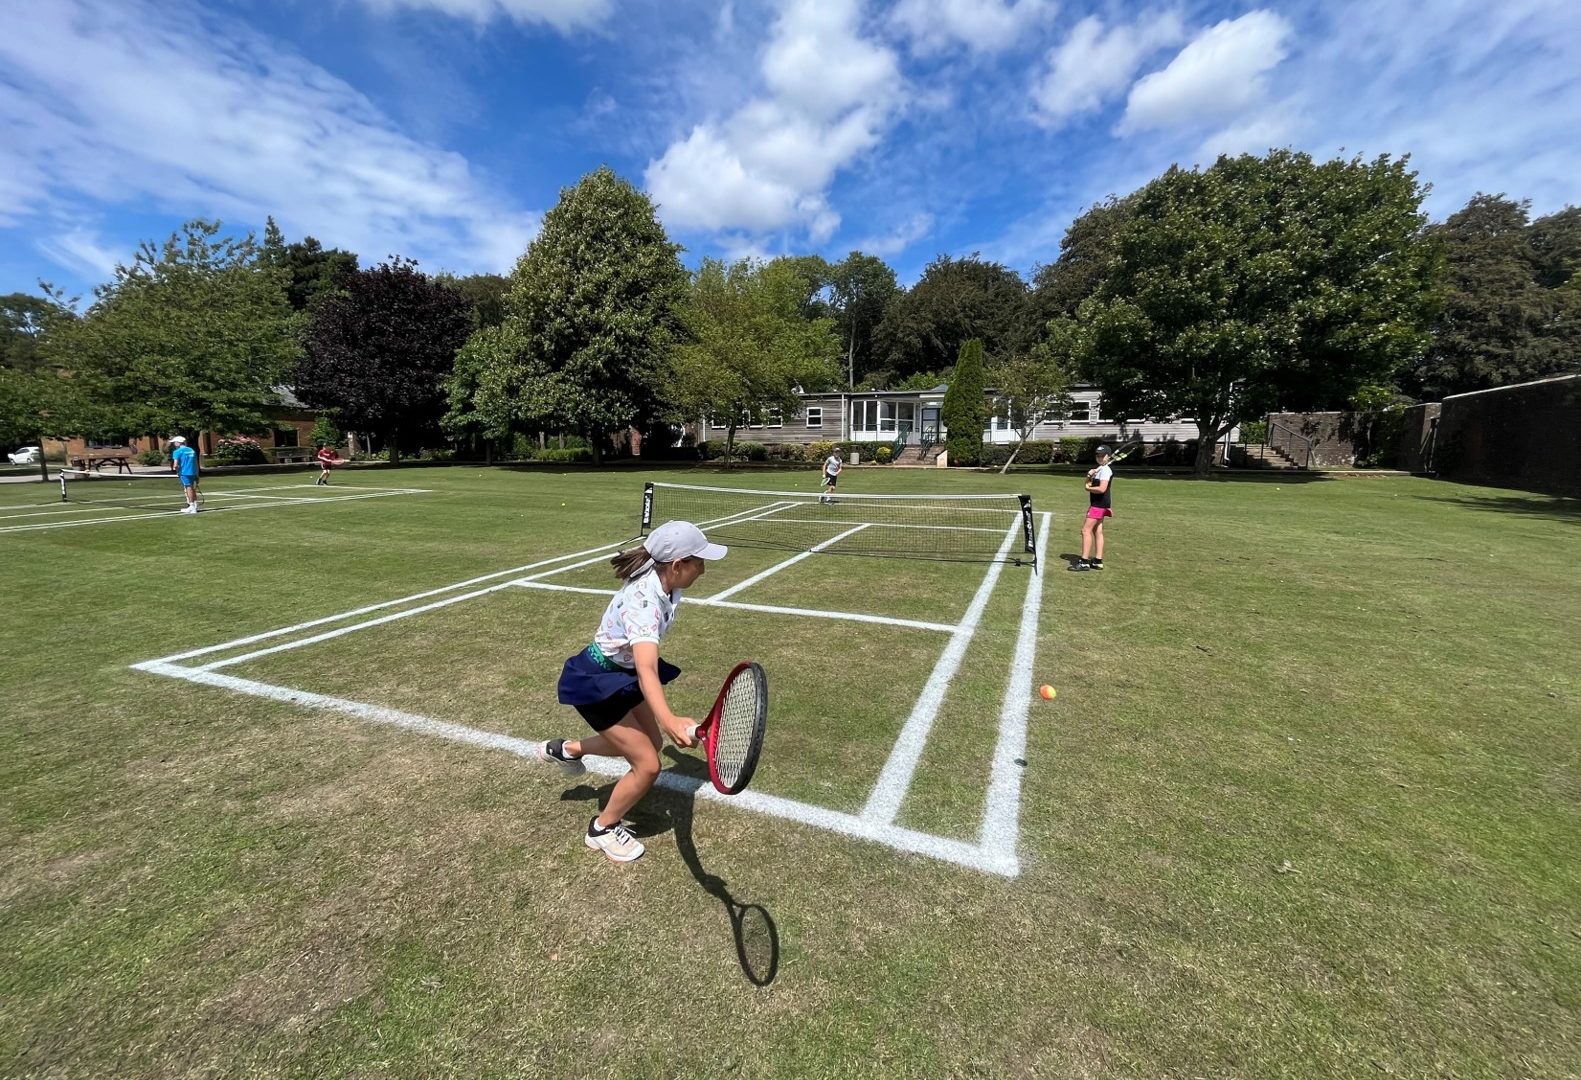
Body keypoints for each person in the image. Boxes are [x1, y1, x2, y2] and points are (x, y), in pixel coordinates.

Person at [535, 520, 728, 863]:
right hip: (596, 682)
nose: (704, 567)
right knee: (648, 764)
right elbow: (646, 668)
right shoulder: (644, 602)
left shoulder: (668, 583)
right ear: (677, 565)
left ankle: (566, 750)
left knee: (649, 746)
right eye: (699, 560)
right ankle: (602, 828)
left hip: (620, 675)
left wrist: (666, 724)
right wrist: (667, 718)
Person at [1070, 444, 1114, 571]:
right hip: (1101, 504)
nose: (1100, 458)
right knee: (1097, 531)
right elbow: (1087, 484)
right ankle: (1098, 561)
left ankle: (1084, 562)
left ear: (1108, 456)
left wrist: (1089, 488)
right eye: (1098, 455)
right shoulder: (1100, 469)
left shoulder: (1106, 470)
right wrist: (1089, 476)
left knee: (1085, 531)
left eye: (1103, 455)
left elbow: (1101, 489)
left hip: (1098, 505)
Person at [169, 435, 200, 514]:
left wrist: (177, 471)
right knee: (192, 488)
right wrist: (197, 474)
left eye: (175, 442)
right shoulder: (191, 450)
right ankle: (195, 505)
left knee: (188, 488)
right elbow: (196, 463)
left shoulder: (177, 452)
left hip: (184, 472)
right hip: (193, 472)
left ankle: (192, 506)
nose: (174, 444)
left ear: (178, 443)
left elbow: (175, 465)